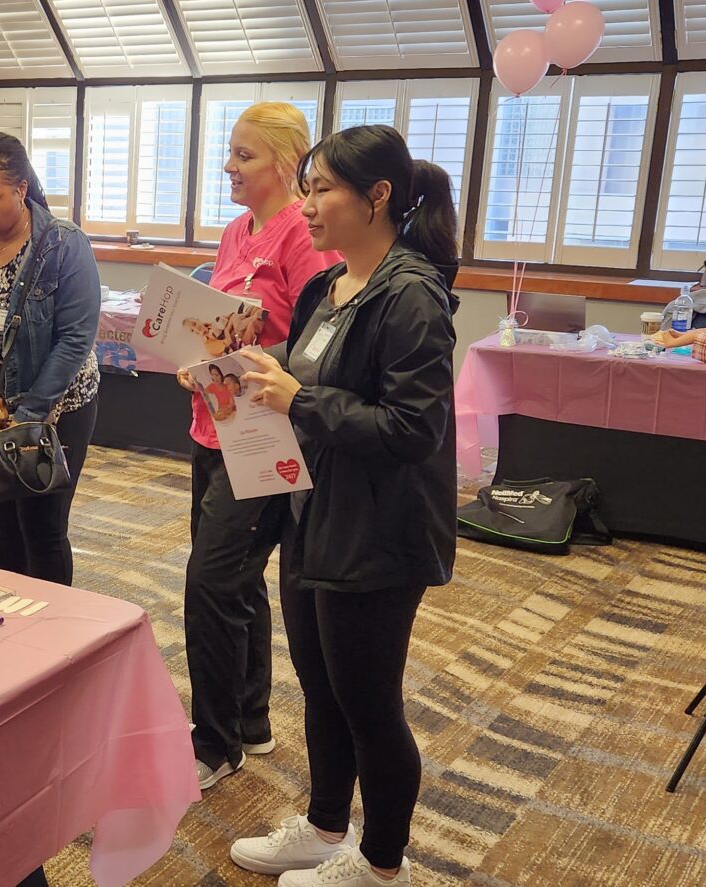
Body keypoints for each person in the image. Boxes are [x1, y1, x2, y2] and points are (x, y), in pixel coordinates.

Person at [227, 125, 460, 887]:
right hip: (315, 514)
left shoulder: (413, 295)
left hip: (380, 533)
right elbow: (310, 394)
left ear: (379, 196)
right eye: (308, 186)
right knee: (321, 685)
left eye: (323, 187)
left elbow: (412, 430)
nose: (310, 204)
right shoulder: (329, 289)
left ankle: (382, 864)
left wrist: (304, 398)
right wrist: (253, 378)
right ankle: (327, 826)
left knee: (370, 705)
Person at [175, 102, 343, 791]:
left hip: (266, 434)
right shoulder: (234, 232)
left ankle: (212, 742)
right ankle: (249, 716)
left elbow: (317, 348)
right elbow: (224, 323)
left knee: (211, 581)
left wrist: (242, 359)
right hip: (212, 423)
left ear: (284, 162)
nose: (229, 167)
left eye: (243, 156)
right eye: (230, 153)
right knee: (235, 578)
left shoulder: (306, 239)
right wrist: (199, 351)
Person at [0, 132, 101, 585]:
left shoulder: (65, 245)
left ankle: (53, 635)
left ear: (21, 190)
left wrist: (26, 415)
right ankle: (11, 625)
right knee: (4, 522)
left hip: (55, 408)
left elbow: (75, 340)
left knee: (43, 528)